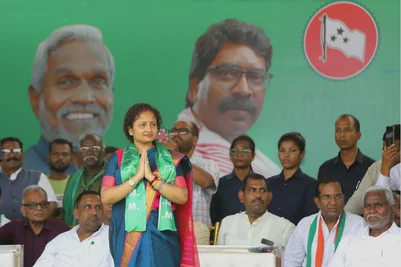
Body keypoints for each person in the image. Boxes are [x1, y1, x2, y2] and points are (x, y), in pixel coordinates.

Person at [178, 18, 280, 177]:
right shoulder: (180, 156)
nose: (244, 90)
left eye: (256, 77)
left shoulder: (265, 168)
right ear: (195, 87)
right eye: (228, 73)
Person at [101, 103, 199, 267]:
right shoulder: (117, 158)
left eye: (153, 124)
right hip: (126, 230)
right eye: (142, 124)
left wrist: (153, 180)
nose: (149, 128)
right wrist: (137, 178)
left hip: (161, 230)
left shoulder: (171, 159)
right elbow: (106, 196)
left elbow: (182, 196)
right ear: (130, 130)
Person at [24, 24, 115, 175]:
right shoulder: (15, 177)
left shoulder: (125, 173)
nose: (85, 98)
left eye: (98, 81)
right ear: (35, 99)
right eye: (66, 81)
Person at [284, 177, 365, 267]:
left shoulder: (358, 224)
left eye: (338, 196)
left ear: (343, 199)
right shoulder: (305, 225)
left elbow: (363, 261)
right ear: (317, 202)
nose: (333, 202)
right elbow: (291, 261)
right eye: (327, 197)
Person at [160, 120, 220, 226]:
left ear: (194, 140)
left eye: (183, 131)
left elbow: (207, 182)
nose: (176, 134)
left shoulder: (209, 164)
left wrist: (176, 155)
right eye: (173, 131)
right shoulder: (163, 164)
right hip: (169, 226)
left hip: (197, 228)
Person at [34, 190, 113, 267]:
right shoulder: (59, 241)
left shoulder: (112, 238)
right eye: (88, 207)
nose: (94, 212)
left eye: (98, 208)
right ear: (76, 214)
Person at [329, 186, 401, 267]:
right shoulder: (349, 239)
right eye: (367, 206)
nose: (372, 210)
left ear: (392, 209)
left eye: (378, 205)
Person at [0, 185, 70, 267]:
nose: (39, 208)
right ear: (23, 210)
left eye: (43, 204)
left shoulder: (60, 228)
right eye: (32, 205)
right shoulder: (15, 227)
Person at [217, 173, 295, 246]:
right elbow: (218, 257)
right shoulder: (227, 223)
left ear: (270, 197)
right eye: (252, 190)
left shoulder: (285, 227)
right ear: (241, 196)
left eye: (263, 191)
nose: (258, 195)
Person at [318, 114, 375, 203]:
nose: (342, 135)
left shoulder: (372, 167)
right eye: (338, 130)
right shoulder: (325, 168)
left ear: (358, 135)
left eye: (347, 130)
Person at [345, 124, 400, 214]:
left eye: (394, 151)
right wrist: (343, 221)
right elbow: (357, 201)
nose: (387, 155)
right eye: (385, 150)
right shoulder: (377, 166)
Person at [0, 137, 57, 219]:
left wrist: (35, 225)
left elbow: (52, 205)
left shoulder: (38, 176)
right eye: (6, 152)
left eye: (16, 151)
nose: (12, 155)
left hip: (31, 230)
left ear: (23, 156)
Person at [268, 132, 318, 225]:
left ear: (302, 154)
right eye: (282, 150)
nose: (286, 155)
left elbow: (312, 219)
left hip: (297, 236)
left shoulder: (311, 185)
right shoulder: (268, 183)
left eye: (292, 150)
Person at [63, 133, 107, 226]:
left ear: (103, 151)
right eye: (84, 150)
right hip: (76, 233)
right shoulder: (73, 179)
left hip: (105, 233)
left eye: (94, 149)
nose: (89, 153)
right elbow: (66, 210)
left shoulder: (113, 175)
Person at [210, 135, 255, 224]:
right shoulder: (221, 184)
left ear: (253, 155)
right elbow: (214, 215)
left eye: (245, 150)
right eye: (235, 151)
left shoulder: (260, 184)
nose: (239, 154)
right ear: (230, 154)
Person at [47, 139, 73, 208]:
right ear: (48, 158)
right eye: (55, 154)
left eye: (64, 154)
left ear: (71, 159)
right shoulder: (41, 182)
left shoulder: (76, 183)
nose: (60, 158)